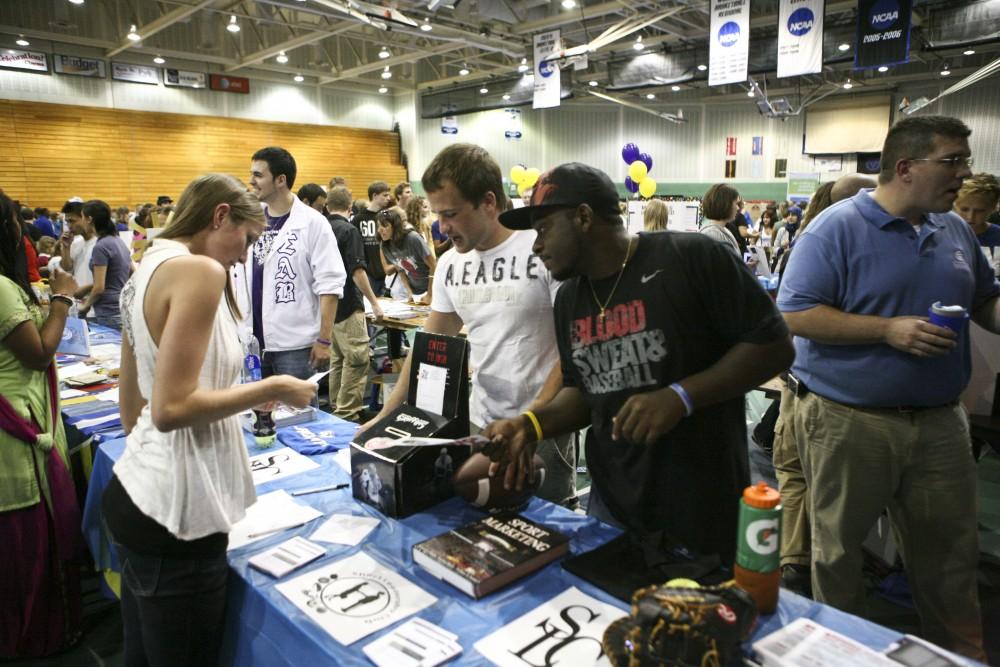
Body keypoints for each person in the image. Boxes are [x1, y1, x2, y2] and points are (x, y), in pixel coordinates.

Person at [484, 163, 793, 563]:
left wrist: (680, 396)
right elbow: (582, 391)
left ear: (583, 217)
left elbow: (775, 346)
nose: (536, 245)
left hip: (701, 503)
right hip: (611, 503)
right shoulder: (569, 299)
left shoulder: (692, 257)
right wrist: (531, 424)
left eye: (544, 228)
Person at [777, 115, 999, 660]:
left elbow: (985, 302)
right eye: (952, 161)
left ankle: (958, 655)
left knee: (950, 556)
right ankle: (846, 652)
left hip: (941, 423)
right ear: (905, 167)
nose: (963, 174)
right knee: (838, 552)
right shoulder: (835, 228)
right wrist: (886, 330)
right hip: (848, 422)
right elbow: (795, 313)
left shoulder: (953, 232)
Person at [104, 174, 318, 666]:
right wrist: (274, 388)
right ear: (220, 216)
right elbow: (170, 409)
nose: (244, 257)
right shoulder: (200, 272)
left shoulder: (146, 269)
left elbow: (132, 405)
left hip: (138, 495)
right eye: (245, 240)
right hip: (177, 519)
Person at [359, 144, 579, 508]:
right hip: (482, 424)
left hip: (544, 428)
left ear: (488, 202)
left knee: (549, 529)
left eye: (451, 214)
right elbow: (427, 347)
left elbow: (570, 347)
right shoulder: (449, 265)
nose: (442, 227)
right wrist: (384, 418)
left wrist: (531, 423)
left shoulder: (541, 248)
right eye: (438, 215)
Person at [766, 173, 876, 596]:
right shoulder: (834, 245)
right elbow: (795, 318)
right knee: (808, 477)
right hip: (818, 388)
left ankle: (794, 559)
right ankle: (803, 562)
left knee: (796, 473)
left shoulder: (810, 242)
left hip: (804, 382)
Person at [0, 194, 82, 659]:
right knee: (27, 537)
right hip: (17, 425)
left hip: (24, 411)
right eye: (15, 223)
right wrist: (63, 300)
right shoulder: (0, 287)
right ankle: (36, 632)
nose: (22, 232)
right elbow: (37, 351)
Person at [234, 146, 346, 380]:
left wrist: (324, 340)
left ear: (280, 180)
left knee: (297, 415)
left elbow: (330, 285)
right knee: (255, 414)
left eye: (258, 175)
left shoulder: (313, 223)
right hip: (252, 343)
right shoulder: (250, 220)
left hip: (295, 346)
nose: (251, 181)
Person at [325, 185, 383, 421]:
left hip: (327, 309)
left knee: (338, 360)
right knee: (357, 359)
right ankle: (347, 412)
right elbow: (357, 271)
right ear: (350, 208)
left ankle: (336, 407)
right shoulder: (349, 231)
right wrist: (375, 302)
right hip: (349, 304)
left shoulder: (319, 228)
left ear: (328, 207)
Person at [77, 200, 132, 329]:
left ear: (89, 219)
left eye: (83, 217)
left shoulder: (101, 247)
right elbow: (129, 271)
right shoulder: (118, 241)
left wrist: (85, 306)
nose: (82, 221)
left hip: (108, 310)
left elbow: (99, 288)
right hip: (121, 305)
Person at [377, 207, 436, 304]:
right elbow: (400, 269)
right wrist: (409, 292)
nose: (380, 230)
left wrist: (430, 294)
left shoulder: (413, 238)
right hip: (416, 291)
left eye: (385, 226)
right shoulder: (385, 245)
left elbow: (433, 265)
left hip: (432, 288)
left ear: (395, 226)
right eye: (378, 226)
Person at [354, 181, 392, 297]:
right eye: (385, 195)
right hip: (369, 272)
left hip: (387, 270)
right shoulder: (359, 218)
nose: (388, 198)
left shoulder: (388, 216)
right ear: (374, 196)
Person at [56, 199, 97, 301]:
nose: (69, 226)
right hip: (78, 301)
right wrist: (66, 248)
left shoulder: (101, 243)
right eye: (67, 222)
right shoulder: (75, 242)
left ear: (86, 219)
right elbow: (67, 268)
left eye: (72, 221)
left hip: (96, 303)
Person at [953, 172, 1000, 248]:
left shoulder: (997, 237)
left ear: (993, 208)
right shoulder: (941, 233)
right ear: (955, 205)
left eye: (979, 211)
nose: (970, 217)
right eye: (964, 209)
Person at [699, 184, 742, 257]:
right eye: (736, 204)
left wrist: (742, 266)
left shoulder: (724, 230)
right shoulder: (712, 234)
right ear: (726, 204)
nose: (738, 208)